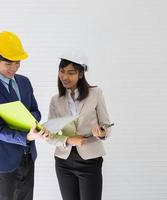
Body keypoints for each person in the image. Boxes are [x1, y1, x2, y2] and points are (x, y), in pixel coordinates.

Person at [0, 30, 48, 200]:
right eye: (8, 64)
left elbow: (35, 111)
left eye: (17, 63)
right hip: (5, 160)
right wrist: (26, 136)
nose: (14, 68)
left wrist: (34, 125)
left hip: (28, 157)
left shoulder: (24, 82)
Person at [47, 51, 111, 200]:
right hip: (63, 161)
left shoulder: (96, 93)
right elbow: (50, 135)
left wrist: (102, 132)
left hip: (90, 160)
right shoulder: (55, 100)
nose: (65, 77)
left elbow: (106, 124)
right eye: (62, 71)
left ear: (81, 74)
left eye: (71, 73)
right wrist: (69, 140)